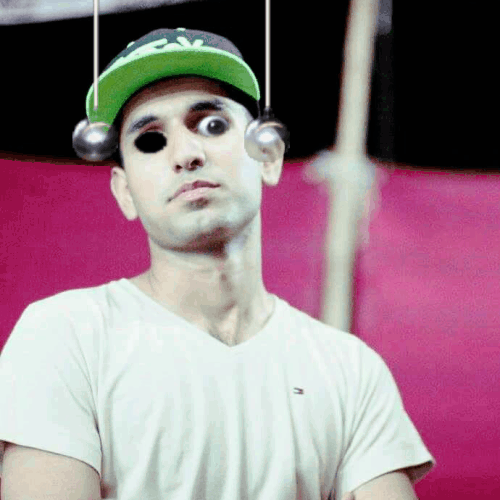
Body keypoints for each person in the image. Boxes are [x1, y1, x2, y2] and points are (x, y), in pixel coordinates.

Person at [0, 28, 435, 500]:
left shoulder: (350, 370)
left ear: (268, 156)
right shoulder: (66, 336)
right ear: (124, 192)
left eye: (211, 125)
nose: (187, 155)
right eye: (151, 140)